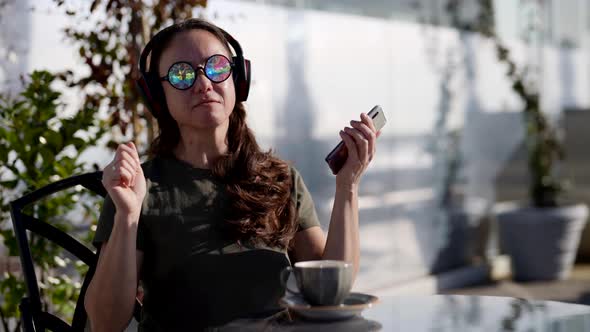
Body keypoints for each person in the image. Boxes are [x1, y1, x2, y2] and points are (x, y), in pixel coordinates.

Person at [84, 18, 379, 332]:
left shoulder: (280, 179)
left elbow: (328, 292)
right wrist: (128, 217)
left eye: (216, 66)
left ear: (238, 78)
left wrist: (347, 185)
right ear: (158, 95)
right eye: (182, 74)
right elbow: (105, 323)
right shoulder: (138, 189)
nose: (203, 84)